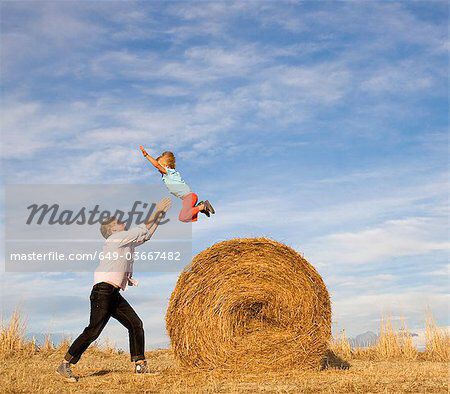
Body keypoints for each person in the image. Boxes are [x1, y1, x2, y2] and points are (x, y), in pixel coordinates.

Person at [56, 197, 172, 382]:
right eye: (118, 222)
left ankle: (140, 365)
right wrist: (157, 210)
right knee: (93, 331)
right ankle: (65, 364)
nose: (122, 222)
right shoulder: (115, 239)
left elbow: (146, 235)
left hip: (113, 293)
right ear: (111, 230)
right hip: (102, 291)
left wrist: (160, 215)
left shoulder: (125, 241)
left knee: (135, 324)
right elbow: (141, 228)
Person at [139, 146, 215, 222]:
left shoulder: (168, 172)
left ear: (166, 166)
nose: (158, 169)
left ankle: (203, 206)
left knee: (183, 217)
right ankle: (201, 207)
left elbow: (156, 165)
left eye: (160, 166)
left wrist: (146, 155)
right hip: (187, 198)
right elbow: (158, 165)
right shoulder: (169, 175)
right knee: (186, 218)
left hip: (189, 197)